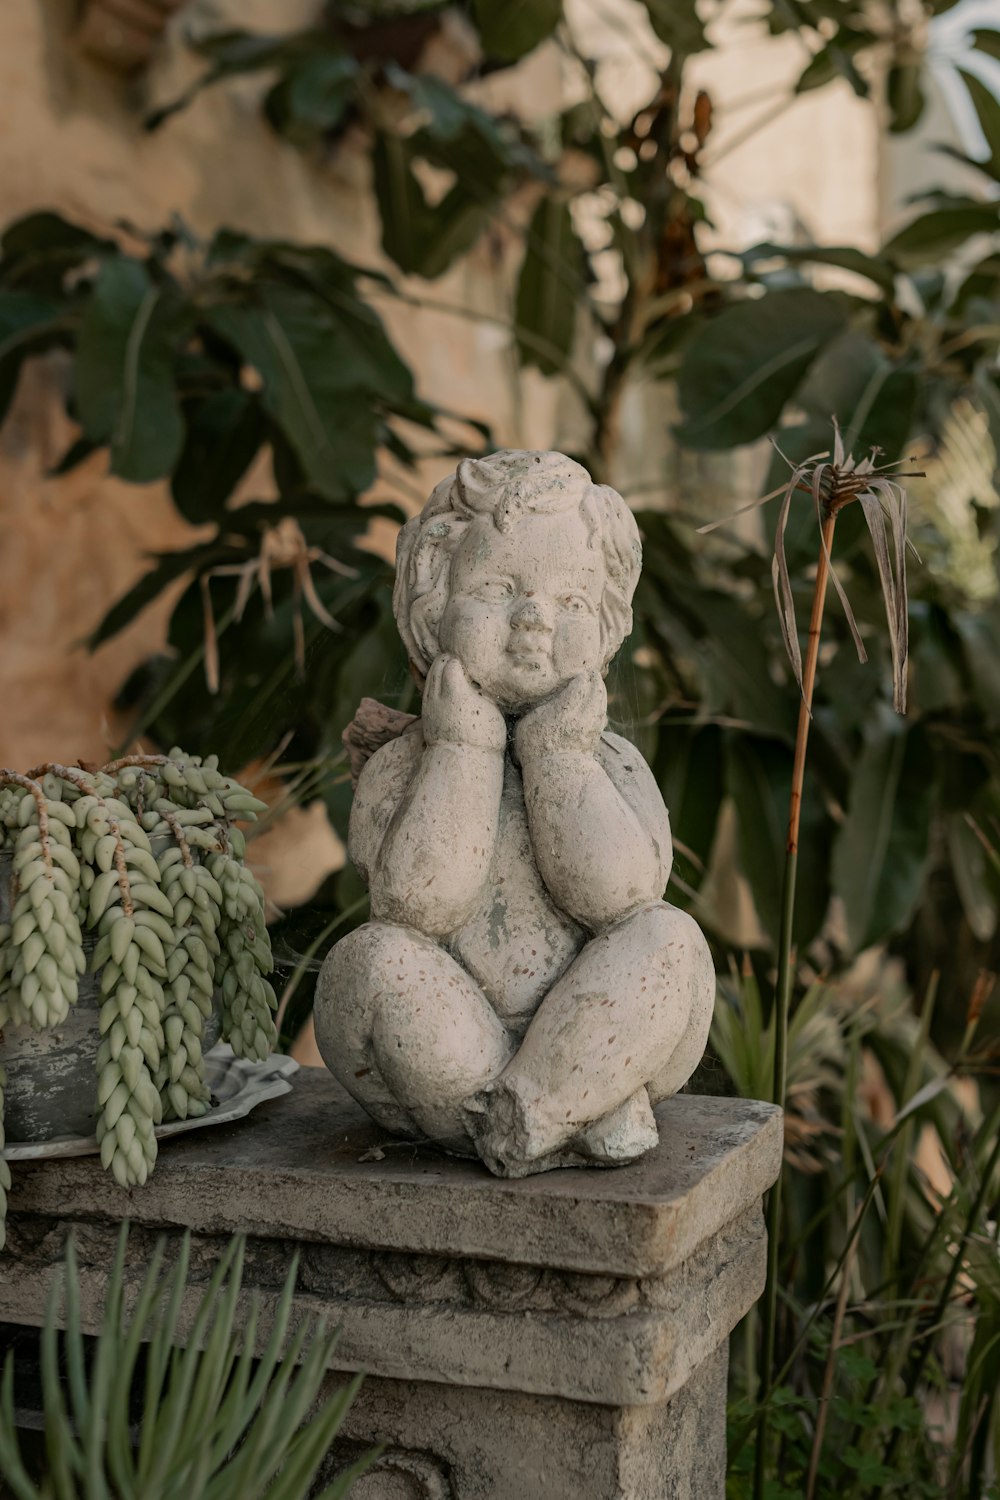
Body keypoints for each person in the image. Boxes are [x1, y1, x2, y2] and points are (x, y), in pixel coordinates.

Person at [314, 450, 714, 1177]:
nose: (534, 619)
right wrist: (464, 746)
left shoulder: (612, 762)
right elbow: (417, 904)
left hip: (596, 1024)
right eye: (500, 588)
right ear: (433, 614)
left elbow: (618, 897)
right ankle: (565, 1108)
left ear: (605, 624)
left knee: (670, 942)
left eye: (571, 602)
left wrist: (559, 756)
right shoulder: (405, 764)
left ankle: (537, 1106)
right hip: (449, 1050)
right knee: (373, 962)